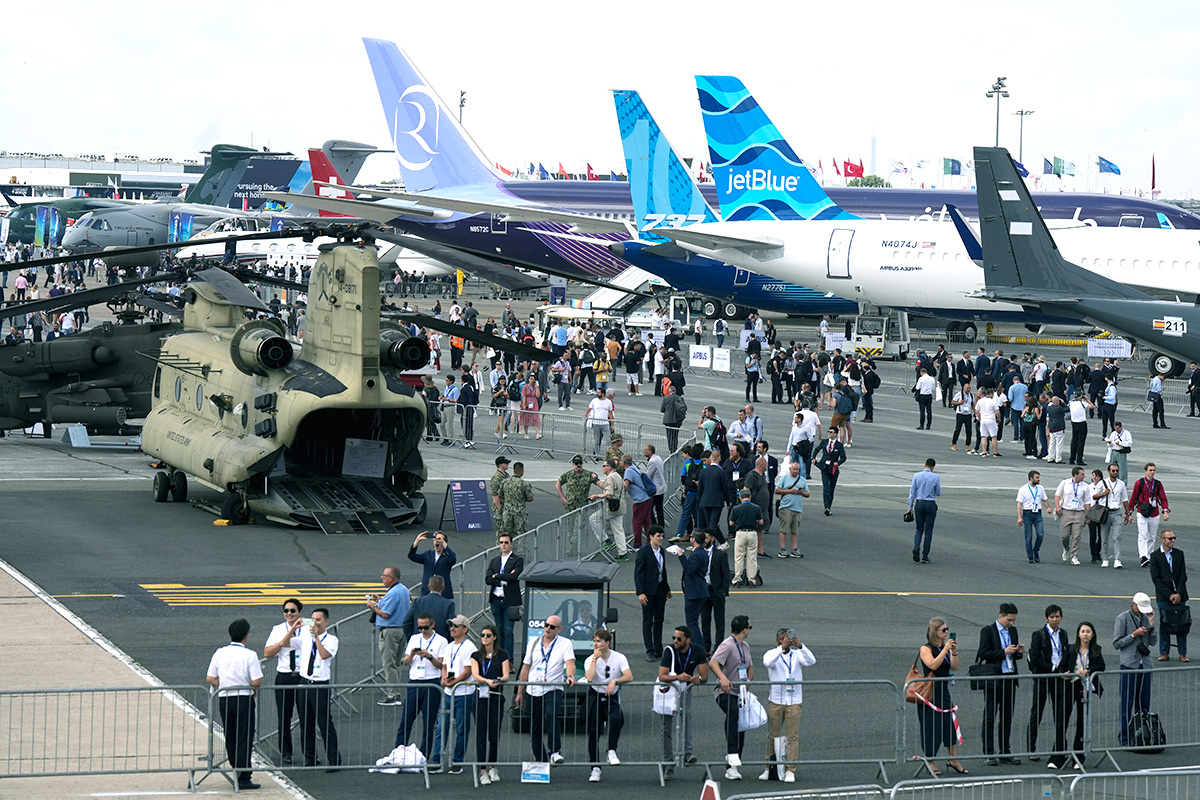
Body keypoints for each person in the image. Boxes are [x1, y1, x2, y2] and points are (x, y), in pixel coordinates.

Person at [206, 619, 263, 790]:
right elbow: (256, 681)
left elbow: (210, 678)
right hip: (243, 697)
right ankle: (244, 774)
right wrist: (250, 687)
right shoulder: (250, 655)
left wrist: (223, 684)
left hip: (224, 697)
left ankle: (234, 765)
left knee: (230, 734)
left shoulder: (220, 653)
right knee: (244, 736)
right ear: (246, 635)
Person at [516, 614, 576, 764]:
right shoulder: (534, 643)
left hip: (552, 687)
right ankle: (540, 758)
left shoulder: (565, 643)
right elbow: (526, 667)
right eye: (546, 625)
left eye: (552, 627)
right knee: (534, 725)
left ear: (559, 629)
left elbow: (570, 662)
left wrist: (570, 675)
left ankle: (555, 751)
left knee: (551, 714)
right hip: (533, 688)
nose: (548, 629)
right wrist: (519, 691)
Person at [759, 628, 816, 782]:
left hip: (794, 701)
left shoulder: (797, 655)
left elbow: (811, 661)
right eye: (784, 638)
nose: (788, 640)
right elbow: (767, 662)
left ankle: (791, 769)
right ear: (778, 640)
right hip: (776, 700)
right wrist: (781, 648)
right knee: (772, 735)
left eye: (789, 638)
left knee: (792, 736)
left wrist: (801, 646)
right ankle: (769, 767)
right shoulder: (772, 654)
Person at [914, 619, 966, 776]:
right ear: (934, 631)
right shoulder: (926, 648)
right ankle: (930, 760)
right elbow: (932, 665)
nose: (946, 632)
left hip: (943, 691)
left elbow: (955, 666)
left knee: (948, 724)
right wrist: (945, 651)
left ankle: (953, 759)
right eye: (943, 630)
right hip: (930, 692)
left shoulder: (946, 648)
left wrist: (954, 652)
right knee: (931, 727)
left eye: (947, 629)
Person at [657, 625, 708, 780]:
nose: (675, 641)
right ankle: (668, 764)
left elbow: (704, 676)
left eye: (679, 638)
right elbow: (662, 676)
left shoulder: (698, 650)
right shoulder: (669, 651)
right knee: (666, 726)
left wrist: (697, 679)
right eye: (674, 638)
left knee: (686, 716)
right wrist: (677, 677)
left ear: (688, 640)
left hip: (686, 688)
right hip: (670, 688)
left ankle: (687, 753)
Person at [977, 602, 1024, 765]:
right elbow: (983, 652)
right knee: (990, 716)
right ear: (1001, 616)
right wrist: (1003, 652)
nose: (1011, 623)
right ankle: (989, 752)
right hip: (994, 679)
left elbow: (1014, 655)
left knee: (1007, 717)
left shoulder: (1013, 631)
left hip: (1010, 677)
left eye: (1013, 620)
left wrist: (1018, 652)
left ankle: (1005, 751)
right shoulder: (988, 631)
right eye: (1009, 620)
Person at [394, 613, 448, 756]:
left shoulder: (441, 641)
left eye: (425, 627)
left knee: (429, 723)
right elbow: (405, 662)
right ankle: (398, 752)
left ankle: (424, 755)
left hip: (432, 683)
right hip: (414, 682)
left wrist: (429, 657)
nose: (422, 631)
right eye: (420, 628)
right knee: (406, 720)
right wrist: (412, 654)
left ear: (432, 625)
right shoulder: (414, 638)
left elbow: (441, 664)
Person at [584, 629, 632, 782]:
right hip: (595, 696)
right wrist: (594, 660)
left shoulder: (619, 657)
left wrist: (615, 681)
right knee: (594, 731)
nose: (595, 644)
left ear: (607, 643)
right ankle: (595, 768)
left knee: (617, 719)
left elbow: (629, 676)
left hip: (611, 696)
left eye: (598, 641)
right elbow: (589, 678)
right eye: (594, 641)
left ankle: (611, 750)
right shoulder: (590, 659)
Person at [710, 615, 755, 780]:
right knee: (733, 712)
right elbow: (713, 663)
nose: (750, 630)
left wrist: (748, 681)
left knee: (740, 725)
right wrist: (722, 677)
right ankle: (732, 753)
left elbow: (750, 666)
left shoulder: (745, 646)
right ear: (744, 629)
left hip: (740, 692)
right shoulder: (727, 645)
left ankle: (733, 766)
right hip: (725, 691)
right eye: (749, 627)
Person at [430, 615, 477, 772]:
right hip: (449, 691)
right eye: (451, 626)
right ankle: (436, 760)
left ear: (465, 629)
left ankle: (458, 761)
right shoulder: (448, 646)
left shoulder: (470, 647)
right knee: (441, 727)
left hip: (463, 693)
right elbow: (444, 665)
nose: (452, 628)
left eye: (456, 626)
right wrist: (444, 678)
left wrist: (454, 682)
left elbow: (467, 670)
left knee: (462, 728)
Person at [1026, 605, 1070, 767]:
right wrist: (1052, 668)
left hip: (1058, 679)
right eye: (1051, 617)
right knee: (1037, 712)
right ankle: (1031, 748)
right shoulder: (1039, 635)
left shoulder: (1063, 634)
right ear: (1046, 618)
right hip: (1044, 678)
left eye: (1057, 616)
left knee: (1059, 714)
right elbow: (1035, 658)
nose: (1054, 619)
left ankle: (1060, 747)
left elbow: (1065, 653)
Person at [297, 608, 341, 771]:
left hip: (320, 685)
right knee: (305, 722)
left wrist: (316, 637)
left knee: (324, 723)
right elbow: (289, 643)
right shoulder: (304, 635)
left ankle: (334, 759)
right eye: (313, 619)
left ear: (326, 621)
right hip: (304, 682)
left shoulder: (331, 639)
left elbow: (324, 655)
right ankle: (310, 757)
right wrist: (295, 626)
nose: (315, 623)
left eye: (319, 620)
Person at [263, 599, 304, 765]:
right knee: (284, 717)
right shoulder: (278, 629)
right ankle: (286, 752)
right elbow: (268, 652)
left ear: (299, 612)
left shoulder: (308, 626)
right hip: (284, 675)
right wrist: (284, 640)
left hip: (302, 675)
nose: (289, 614)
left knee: (306, 716)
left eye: (292, 611)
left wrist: (292, 636)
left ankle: (309, 752)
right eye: (286, 611)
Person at [1113, 592, 1157, 746]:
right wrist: (1133, 634)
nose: (1142, 611)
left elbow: (1152, 642)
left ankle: (1143, 735)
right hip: (1129, 664)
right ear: (1133, 604)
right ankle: (1124, 738)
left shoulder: (1146, 617)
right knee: (1127, 703)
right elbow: (1116, 643)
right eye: (1140, 608)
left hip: (1144, 664)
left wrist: (1151, 625)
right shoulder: (1122, 618)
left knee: (1144, 702)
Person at [471, 623, 511, 785]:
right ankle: (482, 771)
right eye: (482, 635)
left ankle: (493, 766)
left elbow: (506, 674)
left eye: (488, 635)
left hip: (496, 696)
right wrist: (486, 681)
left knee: (494, 734)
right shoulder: (476, 655)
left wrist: (500, 679)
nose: (485, 638)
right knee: (481, 734)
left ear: (494, 637)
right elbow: (475, 675)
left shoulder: (502, 654)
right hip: (480, 696)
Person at [368, 566, 411, 707]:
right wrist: (380, 600)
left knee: (389, 665)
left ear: (391, 578)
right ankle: (395, 692)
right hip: (401, 630)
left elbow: (385, 614)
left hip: (390, 632)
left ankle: (393, 695)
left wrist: (373, 607)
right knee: (396, 664)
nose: (382, 577)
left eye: (384, 575)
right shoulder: (403, 589)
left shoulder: (393, 593)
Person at [1064, 621, 1105, 764]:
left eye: (1088, 631)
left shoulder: (1096, 650)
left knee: (1082, 721)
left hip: (1085, 687)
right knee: (1063, 719)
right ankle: (1057, 756)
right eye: (1083, 631)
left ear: (1092, 634)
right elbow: (1062, 666)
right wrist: (1064, 674)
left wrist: (1088, 671)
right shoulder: (1070, 649)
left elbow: (1101, 666)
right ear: (1078, 634)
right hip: (1071, 686)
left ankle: (1079, 757)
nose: (1085, 634)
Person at [1149, 529, 1188, 662]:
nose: (1173, 541)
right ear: (1163, 540)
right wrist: (1170, 594)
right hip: (1164, 596)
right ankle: (1164, 652)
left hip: (1180, 595)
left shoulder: (1179, 554)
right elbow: (1156, 578)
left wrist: (1178, 594)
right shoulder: (1155, 556)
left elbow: (1183, 575)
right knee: (1165, 623)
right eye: (1170, 538)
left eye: (1173, 538)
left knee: (1181, 623)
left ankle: (1182, 652)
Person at [634, 525, 672, 662]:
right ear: (651, 536)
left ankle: (658, 648)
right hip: (648, 591)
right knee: (648, 620)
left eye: (662, 536)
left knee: (659, 620)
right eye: (658, 536)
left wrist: (667, 588)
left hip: (660, 590)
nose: (661, 538)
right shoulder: (644, 552)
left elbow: (663, 571)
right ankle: (649, 649)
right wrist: (640, 592)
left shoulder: (661, 551)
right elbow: (638, 573)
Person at [486, 533, 524, 658]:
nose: (503, 545)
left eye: (506, 542)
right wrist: (503, 578)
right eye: (501, 542)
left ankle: (509, 660)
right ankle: (499, 658)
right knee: (499, 631)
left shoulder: (517, 560)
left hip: (509, 601)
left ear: (511, 544)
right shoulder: (494, 561)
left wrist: (496, 575)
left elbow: (514, 576)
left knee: (508, 632)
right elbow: (488, 579)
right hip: (496, 600)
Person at [1129, 462, 1171, 568]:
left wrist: (1165, 511)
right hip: (1142, 512)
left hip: (1154, 513)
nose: (1152, 472)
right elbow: (1133, 498)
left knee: (1152, 536)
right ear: (1145, 471)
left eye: (1153, 470)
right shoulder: (1139, 483)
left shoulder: (1157, 484)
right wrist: (1129, 513)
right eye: (1150, 470)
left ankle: (1149, 556)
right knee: (1143, 534)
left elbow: (1163, 498)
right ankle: (1143, 556)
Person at [700, 529, 732, 655]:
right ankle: (706, 646)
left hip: (716, 591)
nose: (704, 541)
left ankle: (718, 648)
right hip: (704, 590)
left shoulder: (720, 554)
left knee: (719, 622)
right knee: (705, 621)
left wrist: (724, 591)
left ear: (712, 539)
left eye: (706, 538)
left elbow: (725, 573)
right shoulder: (699, 553)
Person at [590, 459, 628, 560]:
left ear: (609, 467)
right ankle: (623, 552)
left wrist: (596, 496)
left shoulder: (610, 477)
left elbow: (608, 494)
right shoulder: (618, 476)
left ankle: (605, 540)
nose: (602, 468)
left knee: (593, 519)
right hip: (621, 505)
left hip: (612, 507)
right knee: (618, 529)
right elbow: (625, 487)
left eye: (604, 466)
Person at [1055, 467, 1091, 566]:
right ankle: (1066, 548)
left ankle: (1074, 555)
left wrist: (1088, 516)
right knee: (1065, 536)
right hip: (1066, 511)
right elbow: (1057, 495)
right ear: (1076, 475)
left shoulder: (1085, 486)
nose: (1084, 476)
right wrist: (1057, 507)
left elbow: (1087, 501)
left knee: (1077, 535)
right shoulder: (1065, 483)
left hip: (1079, 512)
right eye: (1082, 474)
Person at [729, 488, 765, 587]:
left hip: (741, 533)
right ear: (750, 497)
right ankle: (751, 580)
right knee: (752, 557)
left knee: (739, 557)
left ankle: (737, 579)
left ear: (740, 498)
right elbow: (761, 522)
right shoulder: (756, 507)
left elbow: (731, 522)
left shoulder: (736, 508)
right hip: (752, 533)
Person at [908, 458, 941, 564]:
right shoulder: (935, 477)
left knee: (919, 529)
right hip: (930, 503)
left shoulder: (916, 476)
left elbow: (912, 492)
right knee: (928, 531)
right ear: (933, 467)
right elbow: (938, 492)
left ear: (924, 465)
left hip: (920, 503)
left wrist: (910, 507)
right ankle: (925, 555)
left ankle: (916, 546)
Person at [774, 459, 809, 558]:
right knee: (784, 529)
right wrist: (789, 491)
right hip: (786, 507)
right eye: (794, 469)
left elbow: (807, 493)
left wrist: (801, 492)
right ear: (790, 469)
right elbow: (777, 490)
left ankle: (794, 549)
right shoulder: (784, 478)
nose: (796, 471)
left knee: (795, 530)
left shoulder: (802, 480)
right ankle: (782, 549)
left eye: (797, 469)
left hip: (797, 509)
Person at [403, 575, 455, 640]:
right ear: (443, 587)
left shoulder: (418, 602)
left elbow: (406, 622)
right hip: (441, 641)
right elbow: (452, 625)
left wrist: (411, 638)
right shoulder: (448, 604)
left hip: (420, 640)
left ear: (429, 586)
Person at [408, 530, 457, 599]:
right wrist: (417, 540)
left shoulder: (447, 557)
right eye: (435, 539)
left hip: (443, 592)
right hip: (427, 590)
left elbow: (453, 560)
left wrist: (443, 543)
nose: (437, 541)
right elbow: (411, 556)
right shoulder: (428, 554)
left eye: (439, 539)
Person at [812, 426, 846, 516]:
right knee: (826, 488)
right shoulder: (824, 442)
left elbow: (843, 457)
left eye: (831, 432)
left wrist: (838, 463)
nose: (829, 433)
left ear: (836, 434)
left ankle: (829, 506)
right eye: (828, 432)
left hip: (833, 469)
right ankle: (826, 507)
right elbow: (816, 450)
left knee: (831, 489)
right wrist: (813, 458)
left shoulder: (839, 445)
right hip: (824, 468)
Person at [1016, 471, 1048, 564]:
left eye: (1039, 477)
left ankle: (1036, 550)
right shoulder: (1023, 489)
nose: (1039, 479)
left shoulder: (1040, 488)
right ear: (1031, 478)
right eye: (1037, 478)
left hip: (1037, 513)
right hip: (1027, 513)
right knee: (1028, 536)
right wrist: (1019, 517)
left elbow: (1044, 499)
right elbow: (1019, 504)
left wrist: (1048, 507)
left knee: (1040, 534)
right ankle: (1030, 556)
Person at [622, 454, 653, 548]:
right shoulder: (634, 468)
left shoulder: (628, 471)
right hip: (647, 497)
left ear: (623, 463)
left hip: (640, 500)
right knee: (647, 521)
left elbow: (625, 486)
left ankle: (637, 543)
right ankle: (650, 542)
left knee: (637, 522)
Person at [499, 461, 535, 540]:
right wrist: (521, 499)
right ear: (522, 471)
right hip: (519, 513)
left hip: (507, 512)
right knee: (520, 534)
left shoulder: (505, 482)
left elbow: (500, 495)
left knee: (506, 533)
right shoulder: (524, 484)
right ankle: (520, 551)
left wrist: (509, 498)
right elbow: (530, 498)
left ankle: (506, 550)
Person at [585, 387, 615, 455]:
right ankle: (597, 455)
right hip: (596, 423)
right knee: (597, 441)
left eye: (598, 392)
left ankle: (610, 455)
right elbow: (589, 409)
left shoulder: (608, 402)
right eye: (597, 392)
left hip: (605, 423)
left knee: (608, 440)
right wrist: (586, 414)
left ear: (603, 393)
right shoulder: (594, 401)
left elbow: (610, 413)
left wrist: (612, 424)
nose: (597, 394)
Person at [661, 385, 687, 453]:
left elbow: (662, 409)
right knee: (675, 435)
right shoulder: (679, 398)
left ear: (669, 391)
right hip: (677, 420)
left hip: (668, 420)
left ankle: (671, 449)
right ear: (675, 391)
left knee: (669, 436)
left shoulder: (665, 399)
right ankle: (674, 449)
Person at [490, 456, 510, 531]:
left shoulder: (507, 475)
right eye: (506, 463)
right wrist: (499, 507)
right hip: (500, 505)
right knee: (501, 529)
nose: (507, 465)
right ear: (501, 465)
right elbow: (495, 494)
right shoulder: (496, 477)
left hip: (506, 505)